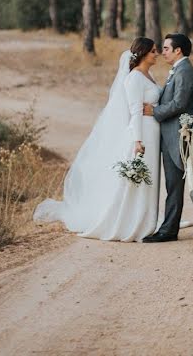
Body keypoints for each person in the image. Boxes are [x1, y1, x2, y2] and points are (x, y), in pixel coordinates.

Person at [33, 38, 163, 242]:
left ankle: (148, 219)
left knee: (151, 178)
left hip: (153, 133)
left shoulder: (149, 75)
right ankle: (131, 222)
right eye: (154, 51)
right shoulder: (134, 79)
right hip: (142, 134)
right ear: (144, 53)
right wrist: (138, 140)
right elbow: (135, 111)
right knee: (138, 179)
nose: (157, 54)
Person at [141, 33, 193, 243]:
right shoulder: (178, 69)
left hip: (177, 137)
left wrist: (154, 112)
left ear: (178, 50)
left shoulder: (185, 71)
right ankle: (168, 227)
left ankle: (168, 230)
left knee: (175, 185)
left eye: (166, 48)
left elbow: (180, 104)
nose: (162, 52)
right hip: (169, 136)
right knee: (171, 185)